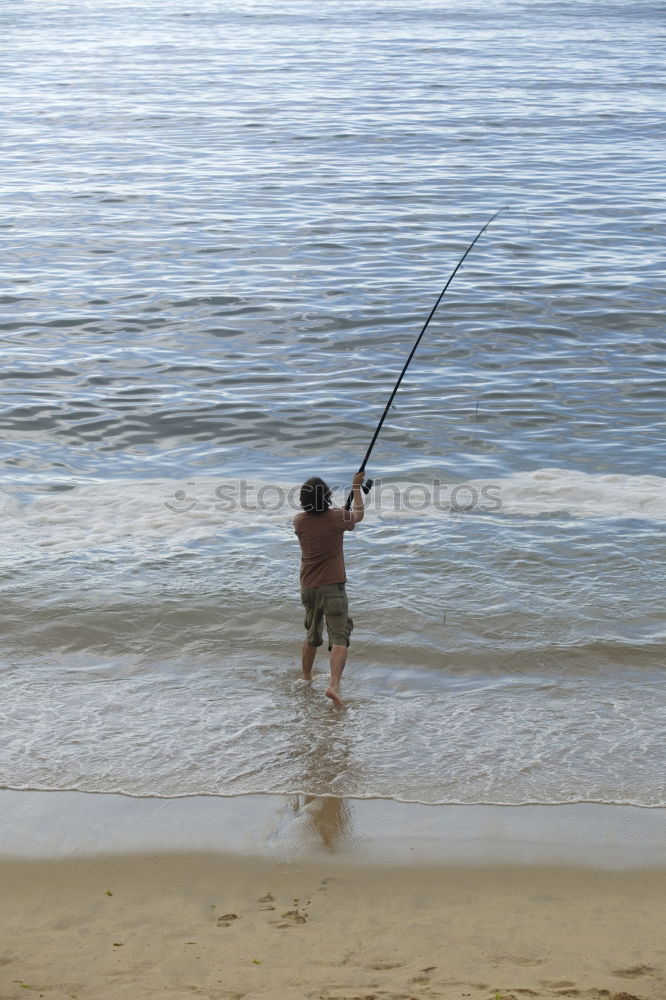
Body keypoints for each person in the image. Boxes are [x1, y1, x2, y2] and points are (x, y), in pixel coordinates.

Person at [293, 471, 365, 707]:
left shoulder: (299, 522)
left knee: (312, 634)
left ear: (304, 501)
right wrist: (356, 488)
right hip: (333, 587)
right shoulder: (337, 518)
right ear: (326, 497)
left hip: (309, 587)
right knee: (339, 637)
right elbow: (358, 516)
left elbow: (324, 521)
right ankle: (333, 686)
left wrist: (338, 514)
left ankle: (306, 678)